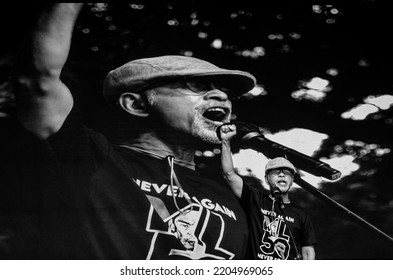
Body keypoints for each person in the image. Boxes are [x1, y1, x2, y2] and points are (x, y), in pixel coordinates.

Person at [9, 3, 257, 259]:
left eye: (226, 91)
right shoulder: (90, 158)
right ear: (136, 105)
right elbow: (37, 80)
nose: (221, 96)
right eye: (197, 84)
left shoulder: (232, 194)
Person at [219, 123, 317, 260]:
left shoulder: (301, 215)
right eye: (276, 172)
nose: (282, 175)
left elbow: (308, 252)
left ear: (292, 179)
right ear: (266, 178)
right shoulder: (255, 199)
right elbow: (229, 174)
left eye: (287, 173)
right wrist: (225, 141)